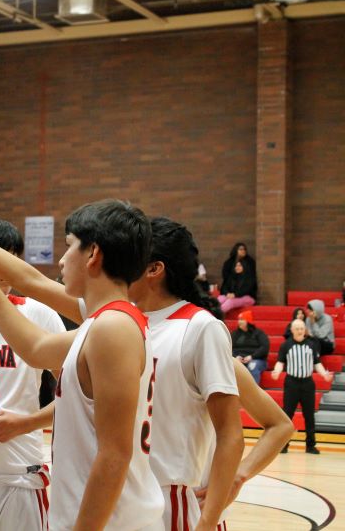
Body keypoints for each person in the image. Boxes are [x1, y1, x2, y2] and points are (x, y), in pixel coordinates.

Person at [0, 199, 163, 531]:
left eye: (68, 248)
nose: (62, 260)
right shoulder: (104, 323)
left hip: (112, 522)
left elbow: (114, 455)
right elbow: (35, 347)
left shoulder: (113, 328)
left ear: (93, 254)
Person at [127, 217, 243, 531]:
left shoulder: (201, 327)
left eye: (130, 255)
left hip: (172, 498)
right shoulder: (121, 321)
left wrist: (206, 522)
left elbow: (231, 434)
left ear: (154, 268)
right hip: (127, 493)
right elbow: (36, 284)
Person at [0, 216, 65, 531]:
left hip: (19, 476)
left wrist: (27, 423)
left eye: (12, 258)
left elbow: (81, 394)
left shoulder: (38, 315)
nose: (6, 267)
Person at [195, 360, 294, 530]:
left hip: (198, 508)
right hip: (146, 505)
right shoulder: (144, 345)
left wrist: (238, 476)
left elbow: (281, 426)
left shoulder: (222, 363)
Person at [272, 320, 333, 454]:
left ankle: (310, 445)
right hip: (291, 383)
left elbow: (317, 363)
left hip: (307, 384)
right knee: (287, 415)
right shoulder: (286, 345)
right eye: (297, 328)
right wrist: (276, 371)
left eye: (302, 328)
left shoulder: (312, 345)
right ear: (292, 330)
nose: (300, 331)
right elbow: (280, 362)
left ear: (304, 330)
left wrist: (324, 374)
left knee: (309, 415)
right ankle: (284, 445)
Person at [231, 310, 270, 383]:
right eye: (239, 319)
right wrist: (235, 357)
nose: (239, 322)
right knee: (230, 366)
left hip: (257, 360)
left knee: (253, 366)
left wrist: (252, 356)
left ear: (248, 321)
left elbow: (265, 347)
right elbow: (229, 348)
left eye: (242, 319)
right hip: (238, 359)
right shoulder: (235, 334)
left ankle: (253, 392)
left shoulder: (258, 333)